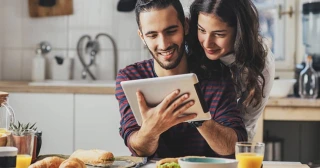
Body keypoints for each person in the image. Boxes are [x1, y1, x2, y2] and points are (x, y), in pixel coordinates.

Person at [115, 0, 247, 158]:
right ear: (142, 36)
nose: (163, 44)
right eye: (152, 35)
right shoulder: (130, 78)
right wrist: (152, 128)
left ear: (185, 26)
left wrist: (198, 117)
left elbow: (232, 147)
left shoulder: (216, 74)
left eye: (171, 31)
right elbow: (139, 148)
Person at [187, 0, 275, 141]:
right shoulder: (190, 46)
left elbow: (246, 122)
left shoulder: (261, 62)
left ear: (239, 32)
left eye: (219, 34)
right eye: (202, 30)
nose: (207, 43)